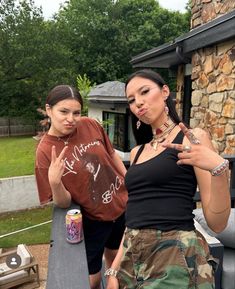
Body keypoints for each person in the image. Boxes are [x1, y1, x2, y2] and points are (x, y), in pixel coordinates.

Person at [106, 69, 231, 289]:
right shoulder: (137, 152)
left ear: (165, 92)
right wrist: (115, 269)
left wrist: (219, 170)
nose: (139, 103)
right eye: (132, 100)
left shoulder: (193, 138)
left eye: (145, 92)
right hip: (132, 259)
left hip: (174, 255)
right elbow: (134, 214)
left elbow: (217, 223)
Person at [35, 85, 128, 289]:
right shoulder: (44, 151)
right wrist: (55, 182)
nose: (71, 119)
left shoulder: (89, 125)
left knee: (116, 264)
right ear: (49, 110)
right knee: (92, 279)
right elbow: (62, 202)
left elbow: (111, 154)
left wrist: (129, 179)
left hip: (121, 205)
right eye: (64, 112)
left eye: (76, 112)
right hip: (93, 220)